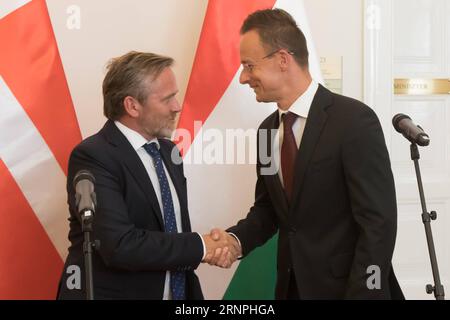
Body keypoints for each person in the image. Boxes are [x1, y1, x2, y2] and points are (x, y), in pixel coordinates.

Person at [208, 8, 404, 299]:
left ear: (283, 60)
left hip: (351, 291)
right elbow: (267, 211)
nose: (243, 77)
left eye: (249, 66)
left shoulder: (354, 120)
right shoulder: (266, 132)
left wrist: (366, 292)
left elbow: (378, 222)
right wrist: (235, 241)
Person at [57, 51, 238, 300]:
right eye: (167, 99)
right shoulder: (94, 156)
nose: (177, 106)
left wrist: (210, 247)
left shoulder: (168, 151)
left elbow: (173, 233)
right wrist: (203, 246)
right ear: (132, 106)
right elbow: (119, 245)